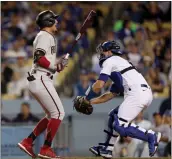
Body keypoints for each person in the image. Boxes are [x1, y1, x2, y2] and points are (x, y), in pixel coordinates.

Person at [76, 41, 161, 158]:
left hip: (137, 93)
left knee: (120, 125)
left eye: (103, 51)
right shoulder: (119, 65)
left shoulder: (110, 60)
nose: (101, 54)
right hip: (141, 93)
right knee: (113, 115)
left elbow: (99, 85)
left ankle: (151, 136)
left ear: (109, 52)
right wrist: (91, 102)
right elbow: (110, 94)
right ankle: (107, 149)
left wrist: (86, 97)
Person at [18, 10, 68, 159]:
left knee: (51, 115)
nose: (57, 22)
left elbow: (45, 60)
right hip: (41, 78)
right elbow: (39, 58)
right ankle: (46, 148)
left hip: (40, 78)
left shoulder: (45, 36)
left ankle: (28, 141)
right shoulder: (45, 36)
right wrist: (54, 67)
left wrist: (57, 65)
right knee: (59, 113)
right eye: (54, 20)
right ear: (48, 22)